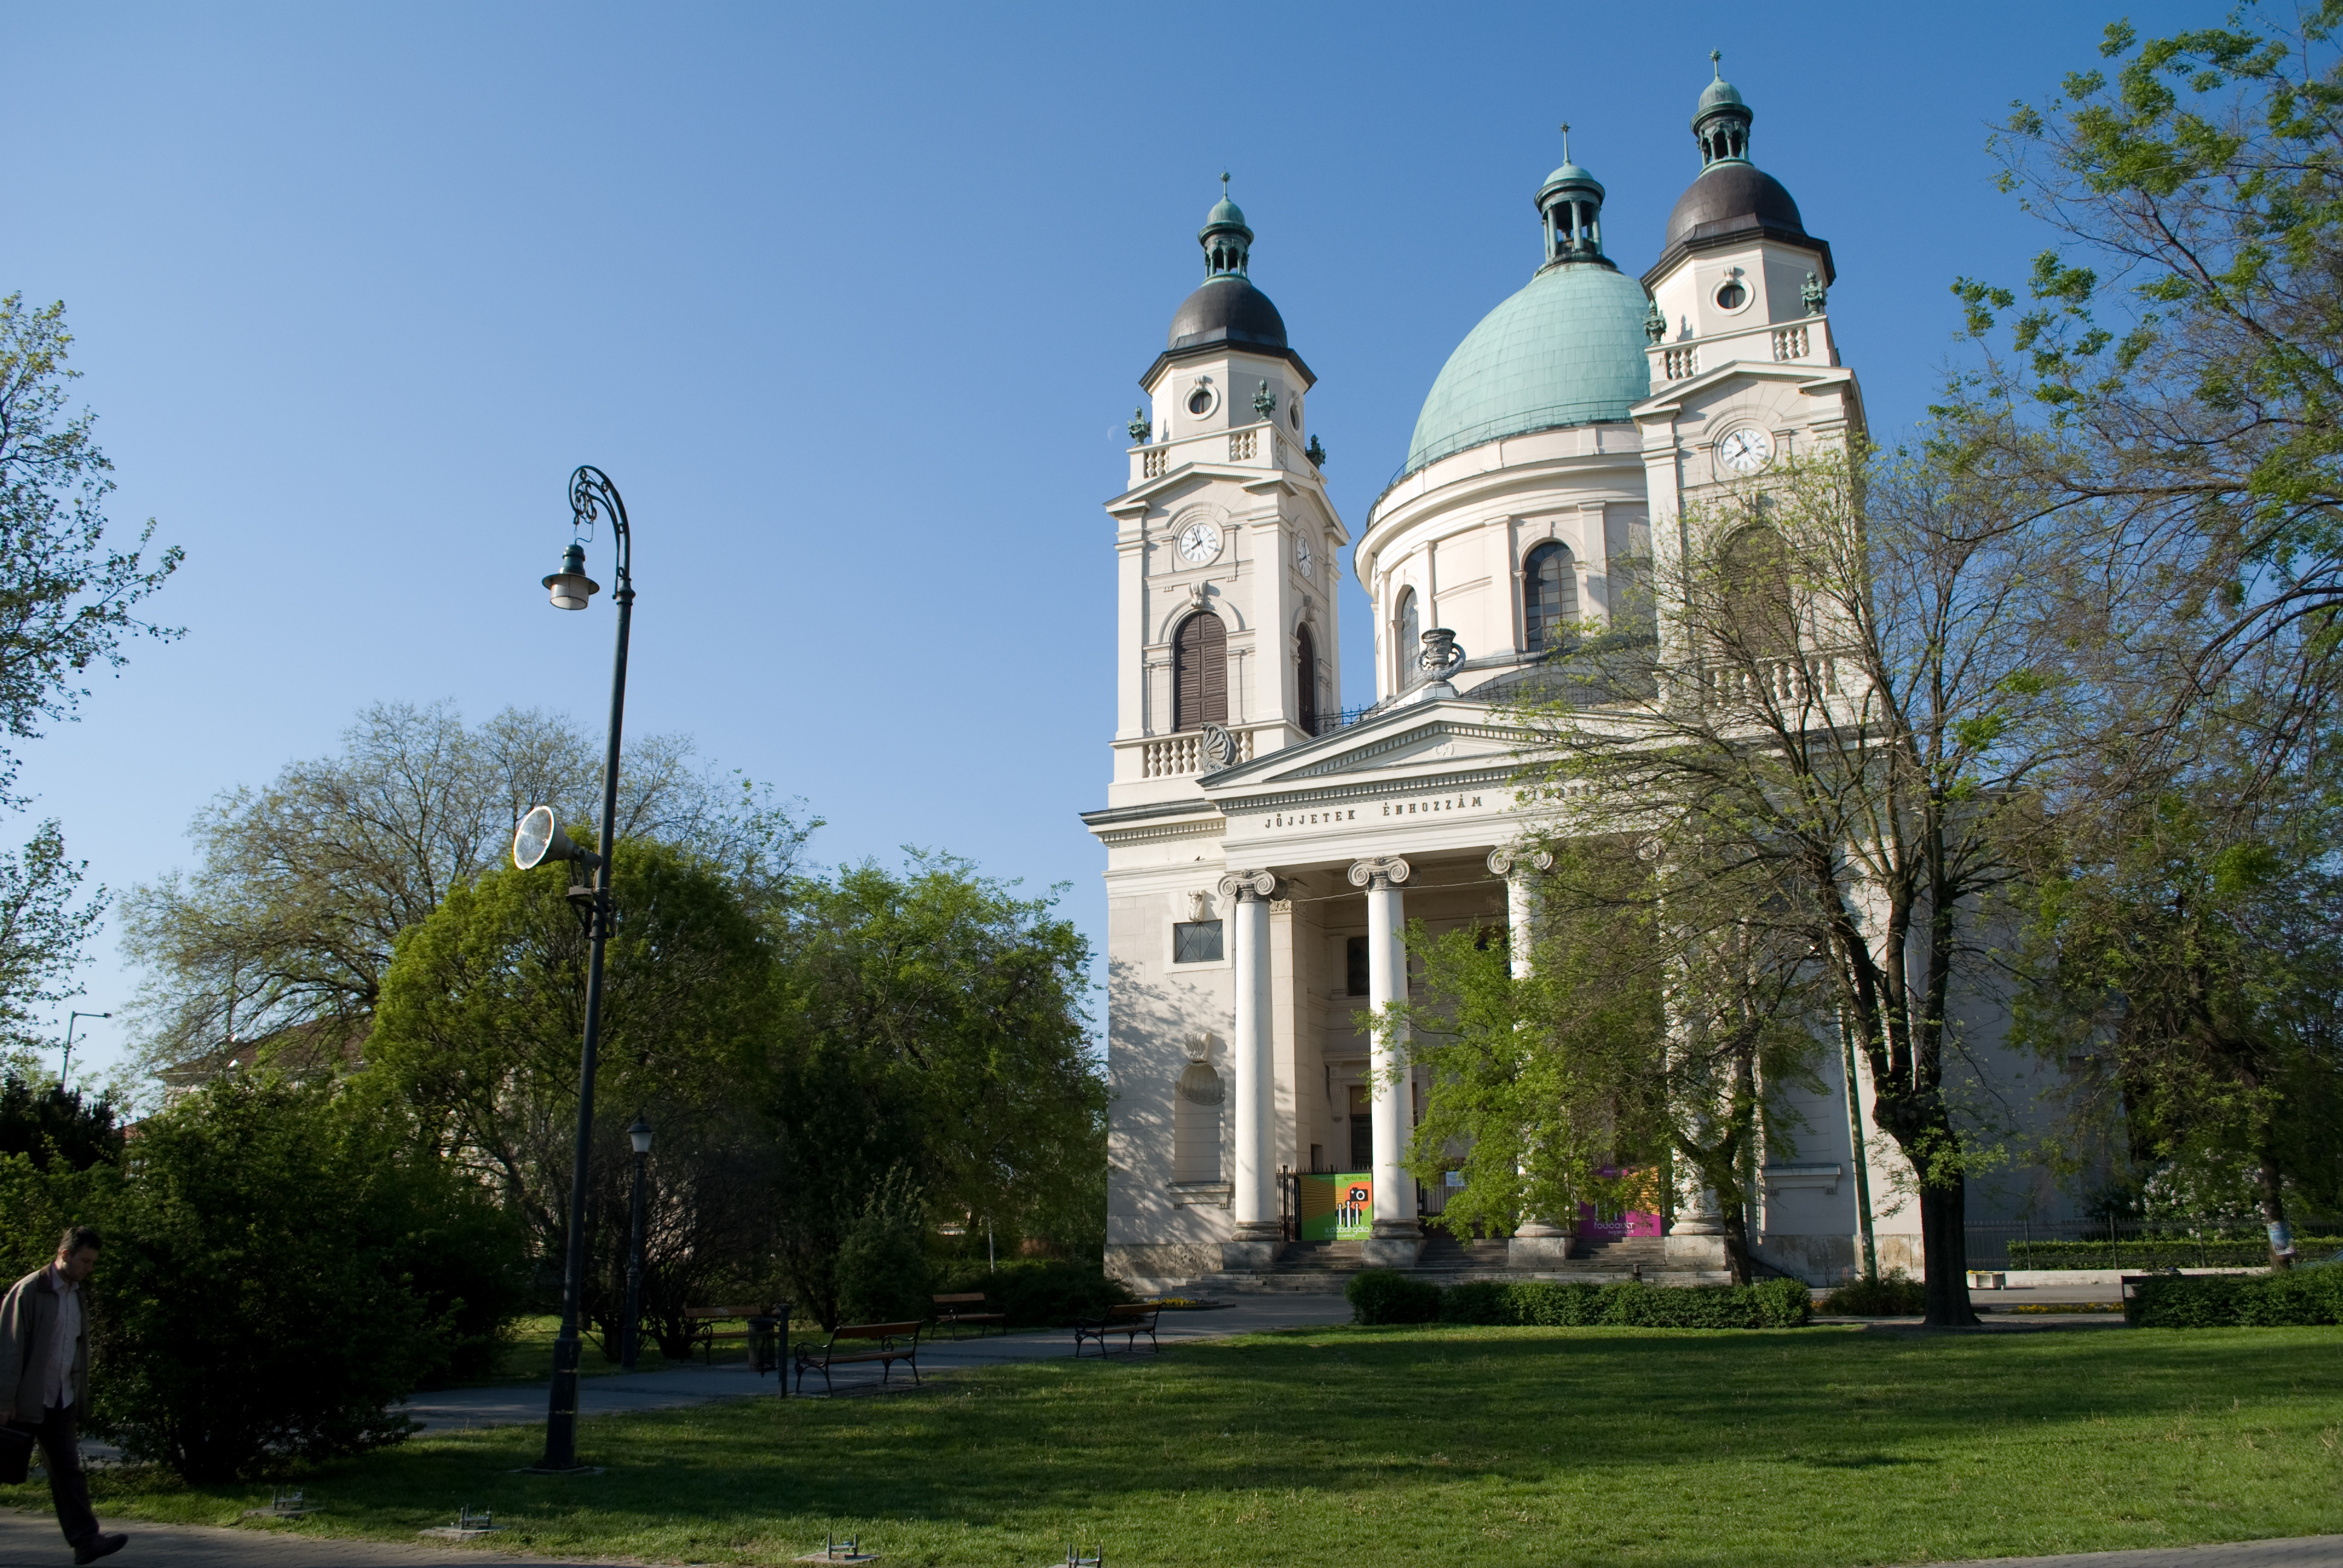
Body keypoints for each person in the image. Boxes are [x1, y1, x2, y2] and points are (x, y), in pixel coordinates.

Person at [0, 1227, 126, 1564]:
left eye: (93, 1262)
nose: (90, 1268)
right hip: (25, 1401)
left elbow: (74, 1351)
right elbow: (10, 1349)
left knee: (68, 1471)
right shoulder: (30, 1290)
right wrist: (5, 1401)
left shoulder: (76, 1294)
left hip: (61, 1400)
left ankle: (86, 1541)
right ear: (64, 1255)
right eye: (85, 1261)